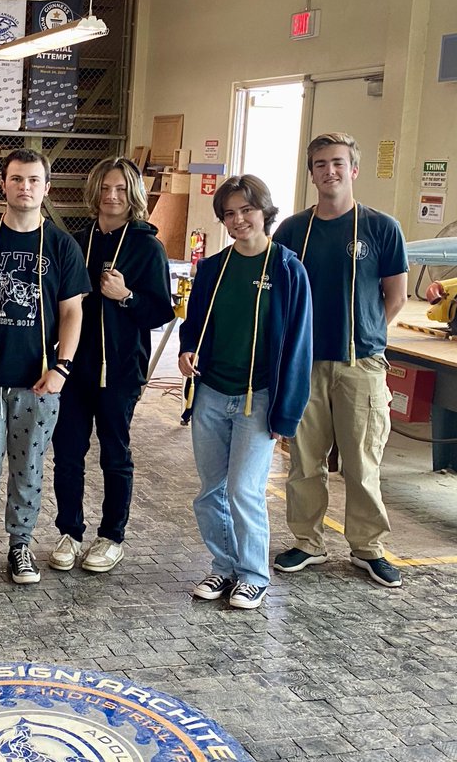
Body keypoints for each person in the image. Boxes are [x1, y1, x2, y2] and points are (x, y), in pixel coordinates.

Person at [271, 132, 408, 588]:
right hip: (303, 364)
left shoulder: (381, 228)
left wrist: (364, 334)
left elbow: (395, 296)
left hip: (360, 364)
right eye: (321, 164)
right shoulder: (293, 231)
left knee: (361, 461)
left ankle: (368, 547)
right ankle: (307, 541)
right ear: (311, 173)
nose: (330, 171)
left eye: (338, 163)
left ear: (354, 169)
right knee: (304, 460)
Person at [0, 149, 89, 585]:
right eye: (16, 179)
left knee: (29, 465)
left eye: (33, 180)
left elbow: (71, 312)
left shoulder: (63, 246)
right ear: (2, 185)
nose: (24, 188)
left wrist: (62, 367)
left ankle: (21, 545)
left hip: (38, 382)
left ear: (46, 188)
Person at [178, 174, 312, 609]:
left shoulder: (288, 269)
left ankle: (254, 574)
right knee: (209, 491)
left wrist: (286, 414)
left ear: (264, 213)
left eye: (247, 211)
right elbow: (194, 325)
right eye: (230, 213)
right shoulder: (213, 269)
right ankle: (223, 567)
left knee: (243, 491)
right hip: (213, 395)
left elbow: (298, 346)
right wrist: (186, 351)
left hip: (260, 398)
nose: (238, 220)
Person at [49, 156, 174, 574]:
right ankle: (70, 530)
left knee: (114, 455)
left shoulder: (147, 246)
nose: (111, 196)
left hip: (119, 370)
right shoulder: (77, 242)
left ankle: (111, 536)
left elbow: (160, 311)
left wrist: (126, 296)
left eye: (120, 189)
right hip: (74, 368)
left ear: (133, 194)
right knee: (68, 452)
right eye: (105, 187)